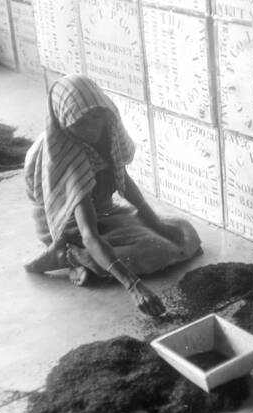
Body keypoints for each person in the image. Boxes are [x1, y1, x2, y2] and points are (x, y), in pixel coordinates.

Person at [23, 74, 201, 316]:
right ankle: (69, 255)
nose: (91, 129)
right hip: (70, 225)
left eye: (95, 118)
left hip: (100, 209)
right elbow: (89, 234)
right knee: (153, 250)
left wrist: (155, 222)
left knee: (180, 230)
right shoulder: (68, 156)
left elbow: (122, 179)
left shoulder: (106, 131)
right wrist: (134, 286)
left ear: (104, 111)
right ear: (65, 124)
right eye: (80, 124)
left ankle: (90, 265)